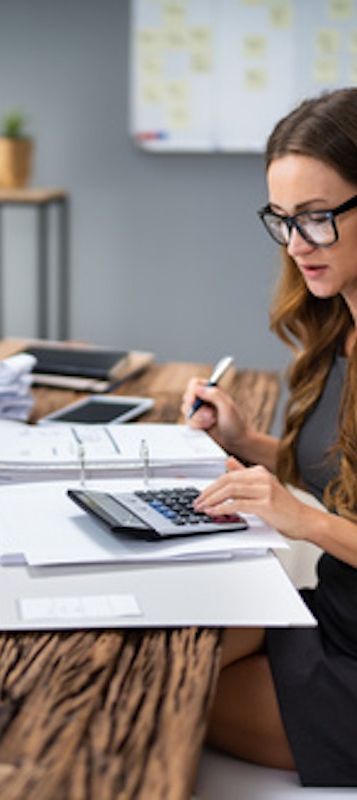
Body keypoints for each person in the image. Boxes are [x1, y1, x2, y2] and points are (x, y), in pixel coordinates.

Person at [182, 87, 357, 788]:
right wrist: (249, 441)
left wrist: (305, 522)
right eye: (282, 220)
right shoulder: (337, 323)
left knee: (180, 698)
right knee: (172, 649)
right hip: (336, 615)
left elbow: (323, 511)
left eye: (317, 219)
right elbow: (342, 472)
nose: (295, 245)